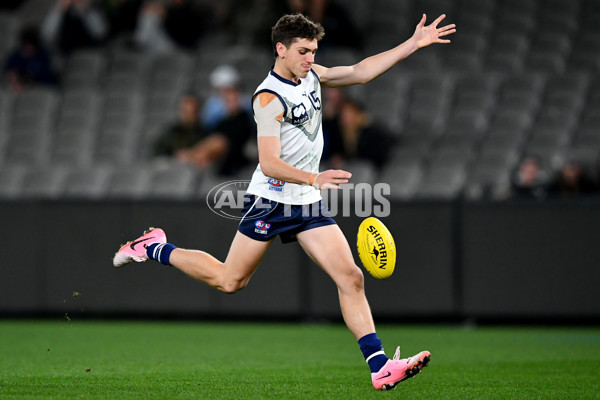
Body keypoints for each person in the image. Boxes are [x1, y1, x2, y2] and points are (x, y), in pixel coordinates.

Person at [113, 13, 455, 390]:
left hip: (306, 201)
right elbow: (269, 163)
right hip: (271, 201)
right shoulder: (267, 99)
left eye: (314, 51)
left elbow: (360, 71)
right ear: (281, 49)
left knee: (351, 277)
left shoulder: (310, 75)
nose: (311, 58)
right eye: (304, 51)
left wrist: (412, 44)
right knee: (229, 281)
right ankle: (155, 247)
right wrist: (315, 177)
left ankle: (379, 367)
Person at [327, 99, 395, 169]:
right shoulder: (340, 133)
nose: (345, 119)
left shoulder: (371, 132)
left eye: (349, 115)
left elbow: (372, 156)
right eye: (343, 116)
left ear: (357, 114)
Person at [2, 26, 59, 94]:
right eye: (25, 48)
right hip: (19, 88)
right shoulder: (16, 56)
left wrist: (28, 80)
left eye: (30, 48)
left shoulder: (43, 56)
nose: (27, 51)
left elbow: (45, 76)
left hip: (40, 89)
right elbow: (8, 73)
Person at [41, 0, 108, 56]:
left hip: (92, 54)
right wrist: (59, 9)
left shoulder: (91, 7)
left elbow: (101, 33)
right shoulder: (58, 11)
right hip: (67, 58)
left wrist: (84, 9)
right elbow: (47, 36)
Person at [152, 94, 205, 158]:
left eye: (193, 111)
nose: (188, 114)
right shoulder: (172, 133)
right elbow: (158, 154)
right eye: (185, 111)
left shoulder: (205, 133)